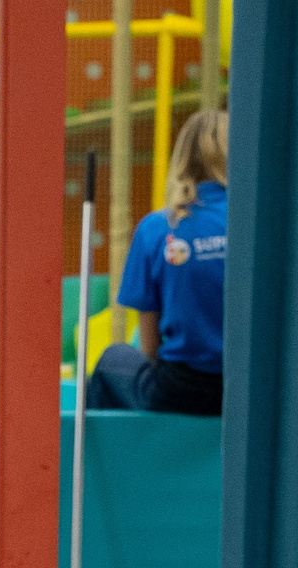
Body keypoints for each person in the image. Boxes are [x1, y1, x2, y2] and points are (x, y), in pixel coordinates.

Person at [86, 108, 228, 417]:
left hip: (180, 392)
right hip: (245, 390)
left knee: (113, 357)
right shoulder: (258, 224)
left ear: (182, 159)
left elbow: (149, 348)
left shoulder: (158, 228)